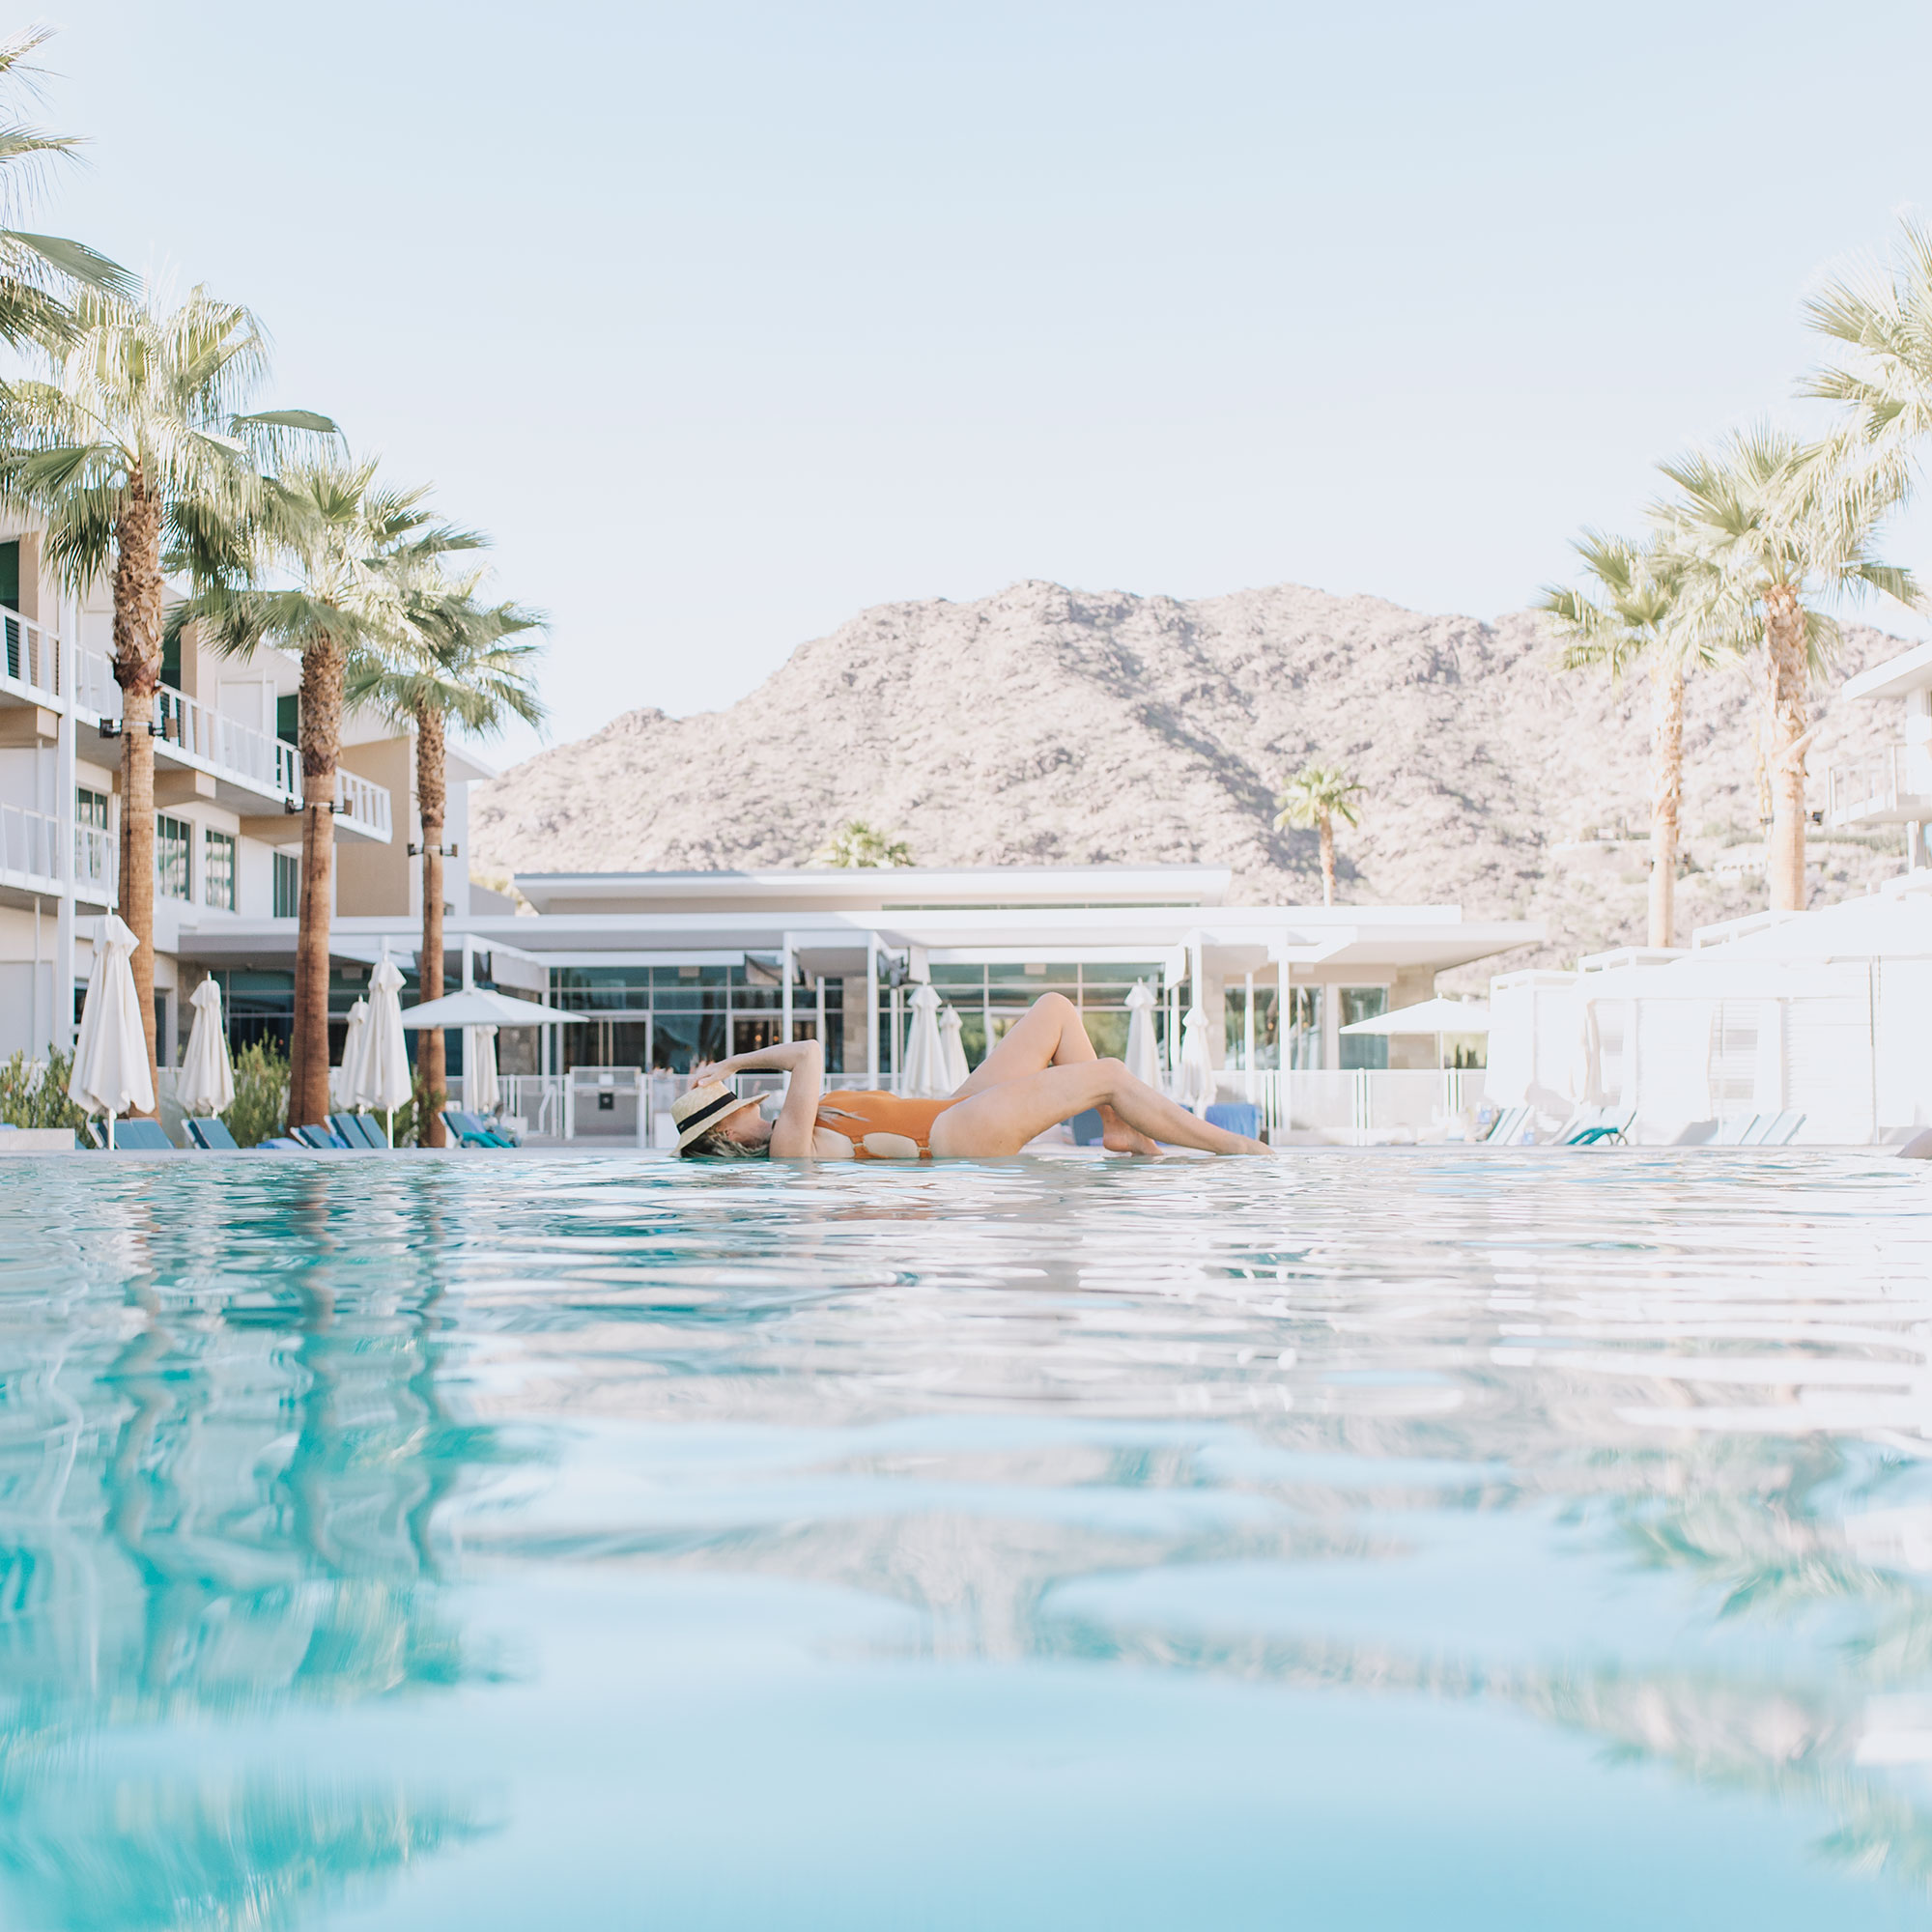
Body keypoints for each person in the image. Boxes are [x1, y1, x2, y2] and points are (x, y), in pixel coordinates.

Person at [673, 990, 1272, 1160]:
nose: (737, 1096)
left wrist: (727, 1071)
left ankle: (1120, 1130)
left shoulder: (788, 1125)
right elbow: (807, 1052)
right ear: (725, 1132)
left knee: (1056, 1012)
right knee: (1108, 1072)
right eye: (730, 1101)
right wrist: (727, 1062)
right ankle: (1236, 1146)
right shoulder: (784, 1146)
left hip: (951, 1107)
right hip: (950, 1136)